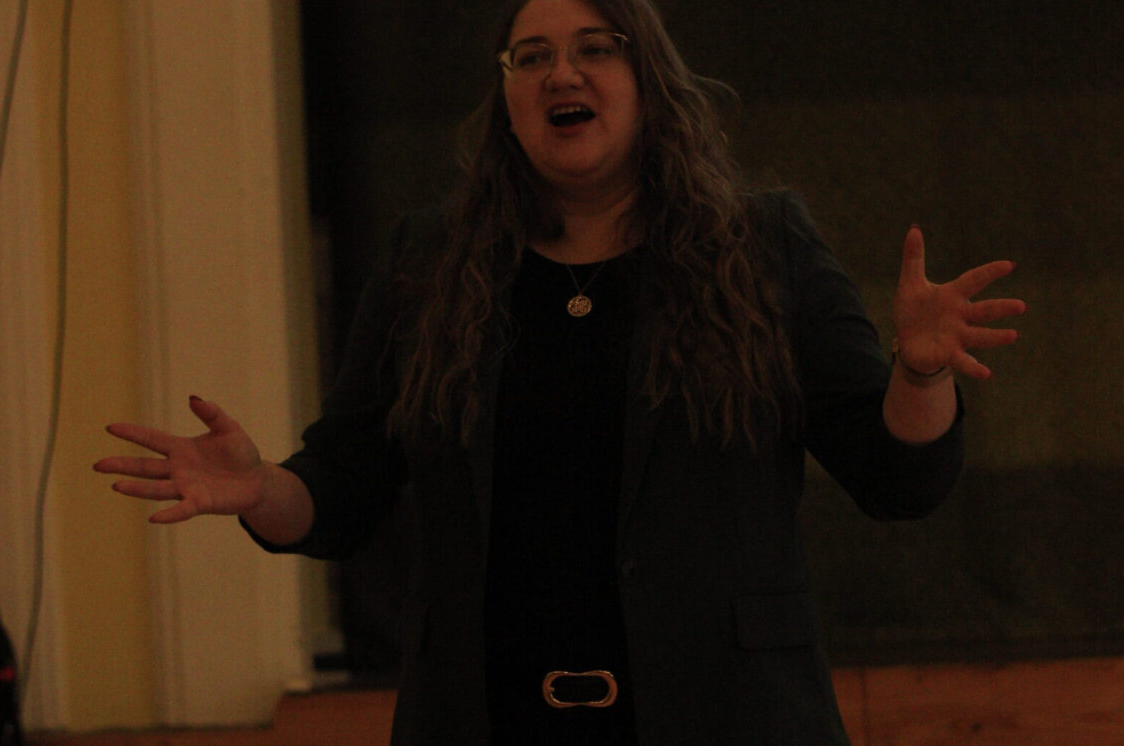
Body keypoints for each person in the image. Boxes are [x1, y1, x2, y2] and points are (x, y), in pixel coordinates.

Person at [95, 0, 1026, 743]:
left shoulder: (763, 247)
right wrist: (260, 487)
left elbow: (897, 479)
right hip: (485, 721)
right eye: (530, 56)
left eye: (594, 48)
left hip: (727, 719)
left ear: (648, 80)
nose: (561, 73)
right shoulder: (430, 264)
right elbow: (339, 488)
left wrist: (919, 373)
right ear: (506, 100)